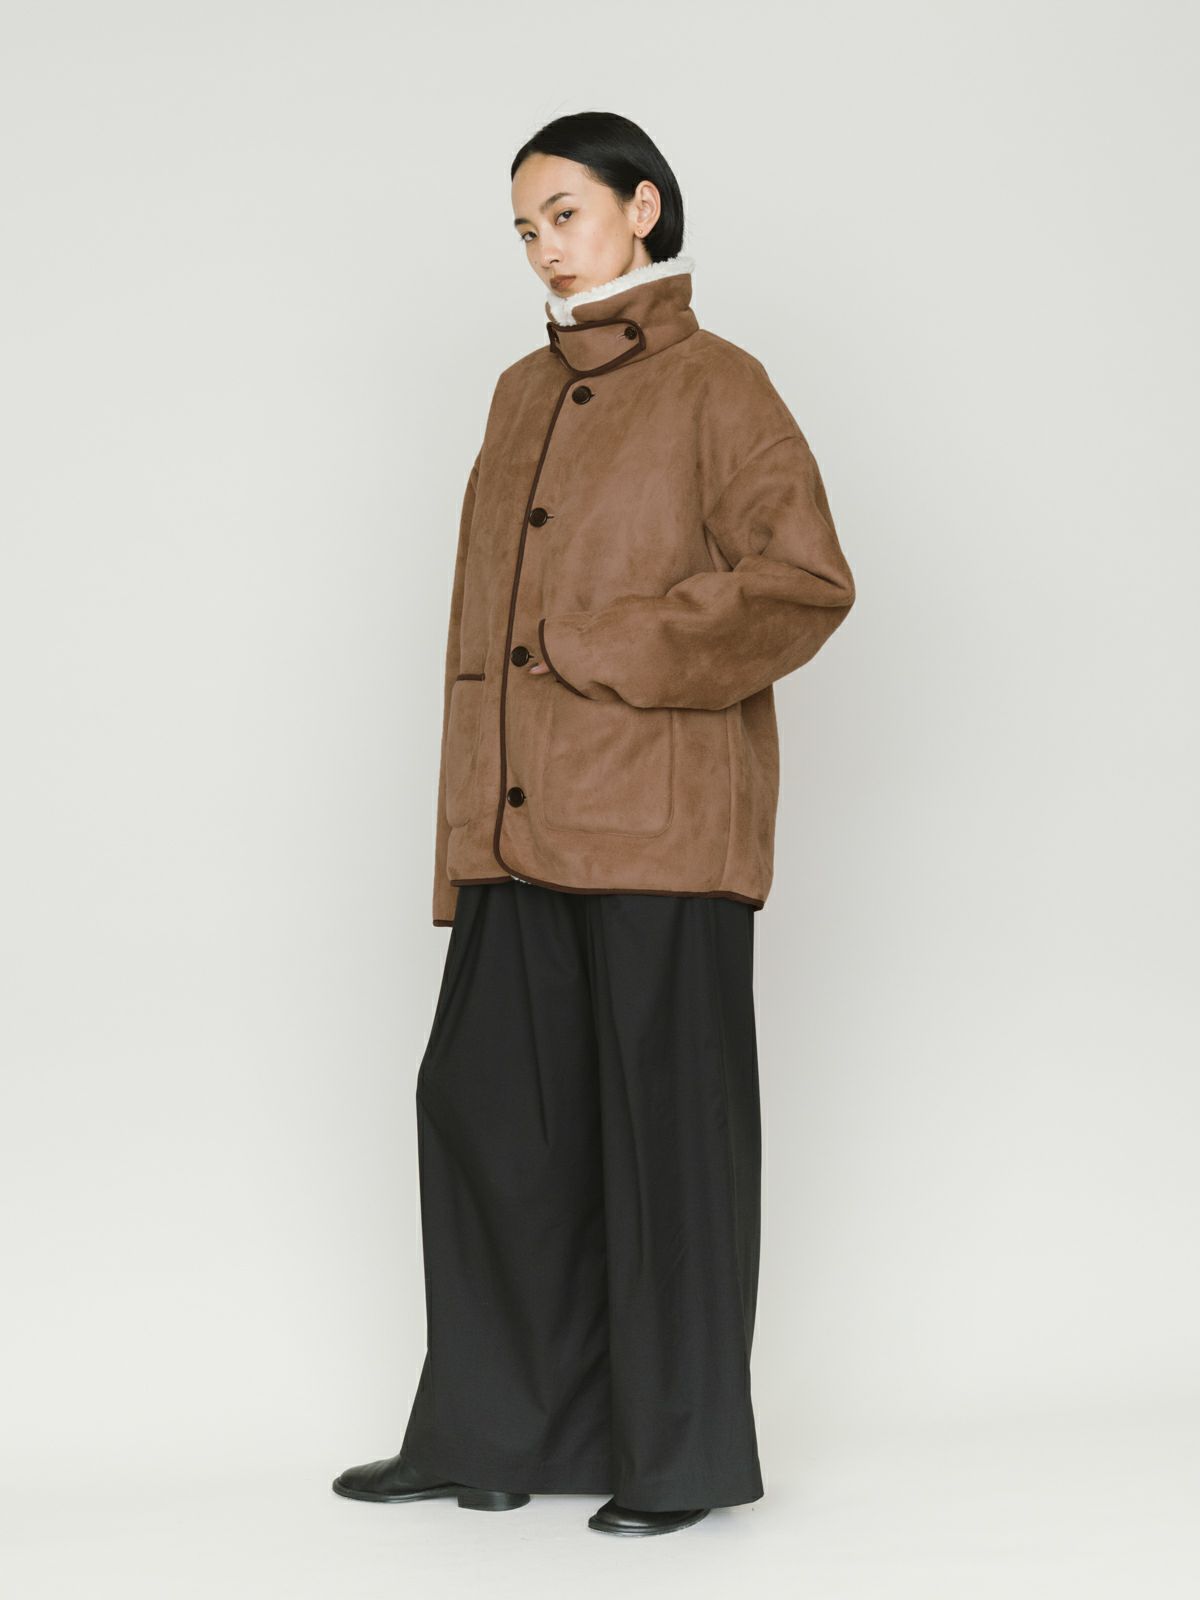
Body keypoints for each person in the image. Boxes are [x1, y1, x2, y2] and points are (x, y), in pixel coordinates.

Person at [332, 111, 856, 1538]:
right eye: (524, 226)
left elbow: (804, 581)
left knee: (664, 1145)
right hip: (516, 830)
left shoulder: (720, 384)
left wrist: (613, 646)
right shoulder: (520, 391)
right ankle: (491, 1434)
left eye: (563, 212)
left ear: (642, 208)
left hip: (661, 834)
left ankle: (679, 1461)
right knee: (490, 1123)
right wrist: (462, 832)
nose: (542, 246)